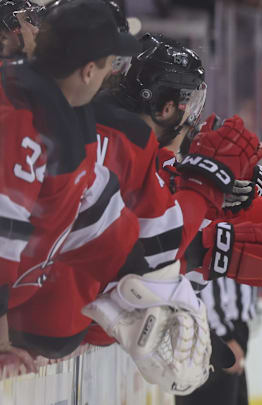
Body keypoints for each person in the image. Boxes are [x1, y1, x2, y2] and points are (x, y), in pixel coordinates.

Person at [0, 0, 141, 366]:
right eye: (111, 64)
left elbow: (99, 209)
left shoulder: (65, 113)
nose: (113, 75)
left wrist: (152, 290)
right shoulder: (23, 114)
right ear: (88, 70)